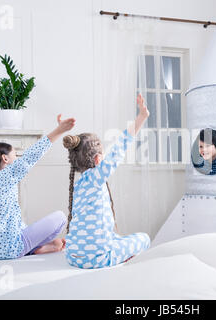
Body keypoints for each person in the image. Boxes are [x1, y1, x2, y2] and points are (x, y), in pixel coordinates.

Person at [63, 94, 150, 269]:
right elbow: (121, 145)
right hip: (97, 259)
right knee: (144, 238)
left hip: (72, 256)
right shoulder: (96, 177)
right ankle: (119, 258)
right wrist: (141, 117)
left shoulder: (79, 185)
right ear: (97, 160)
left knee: (115, 237)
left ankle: (116, 251)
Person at [0, 115, 75, 260]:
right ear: (5, 158)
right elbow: (31, 156)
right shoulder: (5, 176)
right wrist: (59, 130)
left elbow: (14, 224)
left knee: (22, 227)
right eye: (15, 155)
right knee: (60, 218)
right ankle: (32, 248)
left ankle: (38, 247)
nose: (18, 158)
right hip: (9, 248)